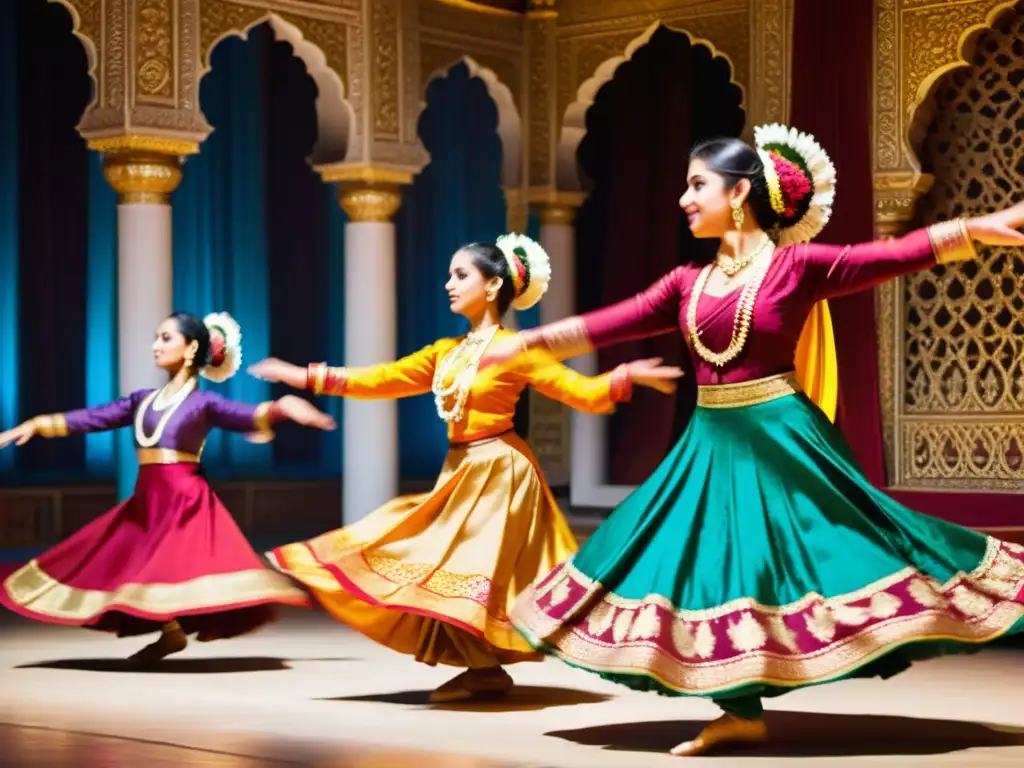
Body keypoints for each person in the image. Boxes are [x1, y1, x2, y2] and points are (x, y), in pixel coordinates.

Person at [482, 124, 1024, 756]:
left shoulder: (798, 266)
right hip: (711, 442)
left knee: (875, 541)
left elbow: (887, 257)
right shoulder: (687, 282)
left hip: (783, 440)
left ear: (738, 193)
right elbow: (614, 321)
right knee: (706, 567)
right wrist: (523, 344)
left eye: (697, 185)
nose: (684, 199)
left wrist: (974, 229)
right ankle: (737, 709)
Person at [248, 233, 683, 703]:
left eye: (460, 275)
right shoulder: (445, 352)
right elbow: (383, 379)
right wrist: (305, 375)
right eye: (450, 275)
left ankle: (488, 667)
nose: (448, 285)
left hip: (502, 474)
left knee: (469, 571)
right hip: (460, 470)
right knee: (428, 558)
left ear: (493, 286)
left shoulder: (518, 348)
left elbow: (580, 392)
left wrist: (623, 378)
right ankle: (483, 670)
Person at [0, 311, 337, 665]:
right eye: (156, 338)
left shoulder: (203, 403)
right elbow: (93, 418)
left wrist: (282, 407)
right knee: (125, 564)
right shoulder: (140, 400)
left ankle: (173, 631)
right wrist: (37, 425)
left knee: (172, 566)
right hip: (147, 502)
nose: (155, 346)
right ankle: (172, 632)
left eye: (165, 338)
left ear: (191, 348)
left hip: (184, 501)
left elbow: (248, 415)